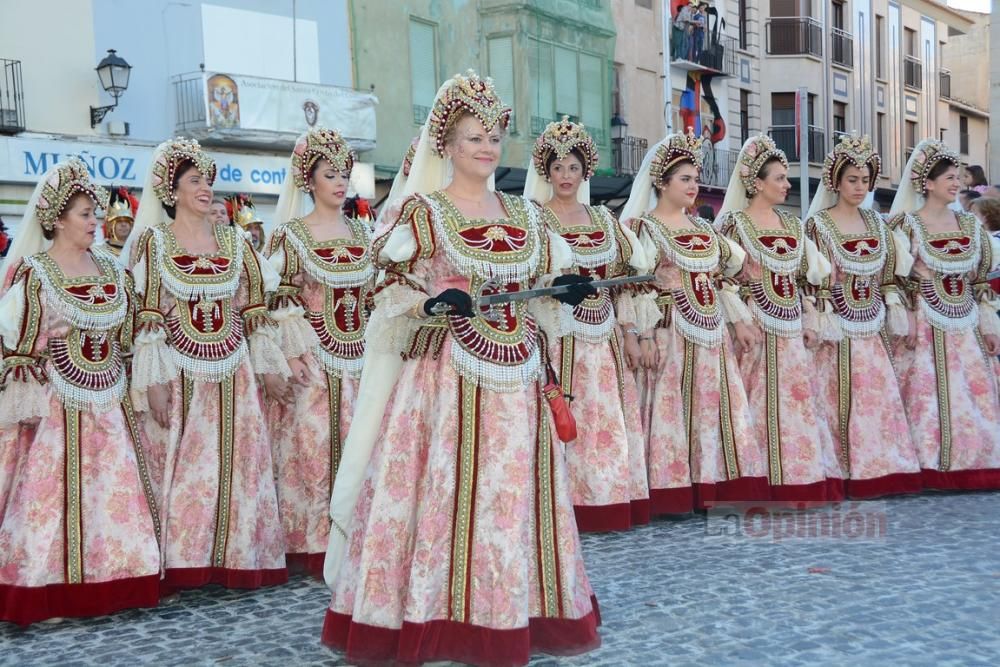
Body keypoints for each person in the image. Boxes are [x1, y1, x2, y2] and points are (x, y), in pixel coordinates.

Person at [321, 72, 601, 665]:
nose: (486, 147)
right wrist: (429, 303)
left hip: (518, 375)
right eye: (473, 137)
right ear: (445, 145)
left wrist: (561, 288)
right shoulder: (424, 212)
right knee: (445, 489)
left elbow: (535, 286)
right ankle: (439, 614)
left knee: (510, 493)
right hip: (445, 379)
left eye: (494, 136)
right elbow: (389, 287)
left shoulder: (526, 217)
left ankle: (511, 610)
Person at [125, 137, 291, 591]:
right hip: (181, 374)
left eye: (208, 181)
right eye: (194, 181)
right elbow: (148, 316)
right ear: (171, 190)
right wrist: (153, 382)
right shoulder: (154, 243)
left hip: (234, 371)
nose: (205, 189)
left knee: (240, 461)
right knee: (187, 466)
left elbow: (255, 310)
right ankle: (186, 560)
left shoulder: (236, 241)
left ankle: (239, 555)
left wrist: (270, 368)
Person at [0, 159, 160, 625]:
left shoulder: (113, 271)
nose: (95, 222)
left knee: (114, 490)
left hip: (110, 403)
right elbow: (21, 349)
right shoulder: (35, 273)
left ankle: (116, 581)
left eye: (94, 213)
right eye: (86, 214)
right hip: (56, 406)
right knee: (50, 495)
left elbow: (127, 340)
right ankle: (49, 589)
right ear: (57, 220)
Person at [621, 133, 768, 513]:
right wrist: (644, 336)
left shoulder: (705, 231)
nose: (693, 185)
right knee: (670, 407)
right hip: (670, 334)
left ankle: (711, 485)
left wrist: (738, 323)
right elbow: (637, 288)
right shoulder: (644, 228)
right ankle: (671, 491)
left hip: (710, 334)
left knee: (713, 405)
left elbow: (722, 281)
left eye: (695, 178)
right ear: (662, 182)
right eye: (685, 178)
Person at [523, 116, 651, 531]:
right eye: (558, 167)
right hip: (559, 338)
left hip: (605, 339)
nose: (565, 175)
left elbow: (621, 284)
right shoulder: (533, 219)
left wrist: (631, 332)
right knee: (565, 416)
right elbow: (526, 281)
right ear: (547, 171)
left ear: (585, 172)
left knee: (606, 419)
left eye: (573, 168)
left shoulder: (603, 219)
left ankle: (609, 500)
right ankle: (567, 506)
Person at [265, 128, 373, 577]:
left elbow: (373, 297)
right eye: (330, 174)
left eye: (344, 174)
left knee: (360, 445)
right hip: (312, 359)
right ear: (309, 182)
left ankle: (356, 537)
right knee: (310, 447)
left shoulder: (365, 233)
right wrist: (289, 356)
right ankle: (310, 544)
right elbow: (276, 301)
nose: (339, 182)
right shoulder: (291, 236)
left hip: (363, 358)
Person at [716, 135, 844, 502]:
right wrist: (739, 320)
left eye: (787, 178)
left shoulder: (792, 225)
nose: (787, 184)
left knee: (796, 400)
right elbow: (723, 277)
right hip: (752, 327)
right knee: (753, 401)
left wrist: (810, 317)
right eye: (780, 178)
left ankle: (800, 477)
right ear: (757, 183)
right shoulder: (733, 224)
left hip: (789, 327)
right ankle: (755, 480)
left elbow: (805, 277)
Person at [803, 135, 922, 498]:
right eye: (852, 179)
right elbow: (816, 282)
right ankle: (843, 471)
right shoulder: (818, 226)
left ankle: (882, 468)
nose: (859, 187)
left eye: (865, 180)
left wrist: (902, 314)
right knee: (836, 397)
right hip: (836, 329)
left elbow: (890, 278)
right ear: (835, 181)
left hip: (873, 328)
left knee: (875, 397)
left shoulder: (877, 223)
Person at [888, 139, 1000, 489]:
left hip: (965, 322)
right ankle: (930, 464)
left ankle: (975, 463)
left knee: (972, 389)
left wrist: (988, 326)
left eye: (958, 177)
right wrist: (903, 319)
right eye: (949, 177)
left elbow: (979, 281)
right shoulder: (906, 225)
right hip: (924, 320)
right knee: (925, 391)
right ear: (928, 184)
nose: (956, 183)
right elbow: (897, 278)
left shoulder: (970, 226)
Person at [101, 186, 138, 258]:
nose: (124, 224)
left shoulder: (137, 252)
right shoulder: (99, 252)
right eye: (119, 221)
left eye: (127, 221)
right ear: (109, 224)